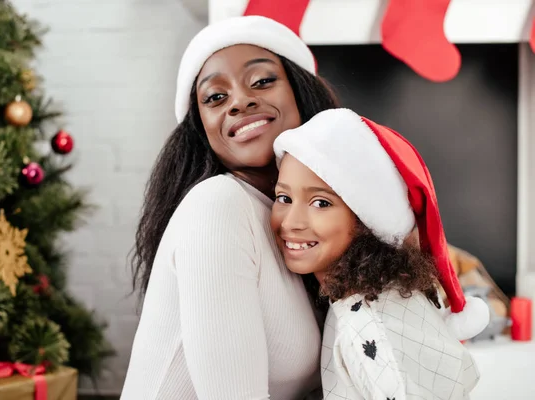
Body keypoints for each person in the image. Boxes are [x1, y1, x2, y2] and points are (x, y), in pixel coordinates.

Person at [121, 16, 340, 400]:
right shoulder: (217, 207)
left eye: (262, 81)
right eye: (215, 98)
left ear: (300, 92)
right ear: (201, 126)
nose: (240, 101)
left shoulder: (304, 220)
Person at [270, 108, 490, 400]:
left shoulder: (370, 324)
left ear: (365, 222)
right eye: (284, 198)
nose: (291, 222)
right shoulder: (379, 295)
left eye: (321, 203)